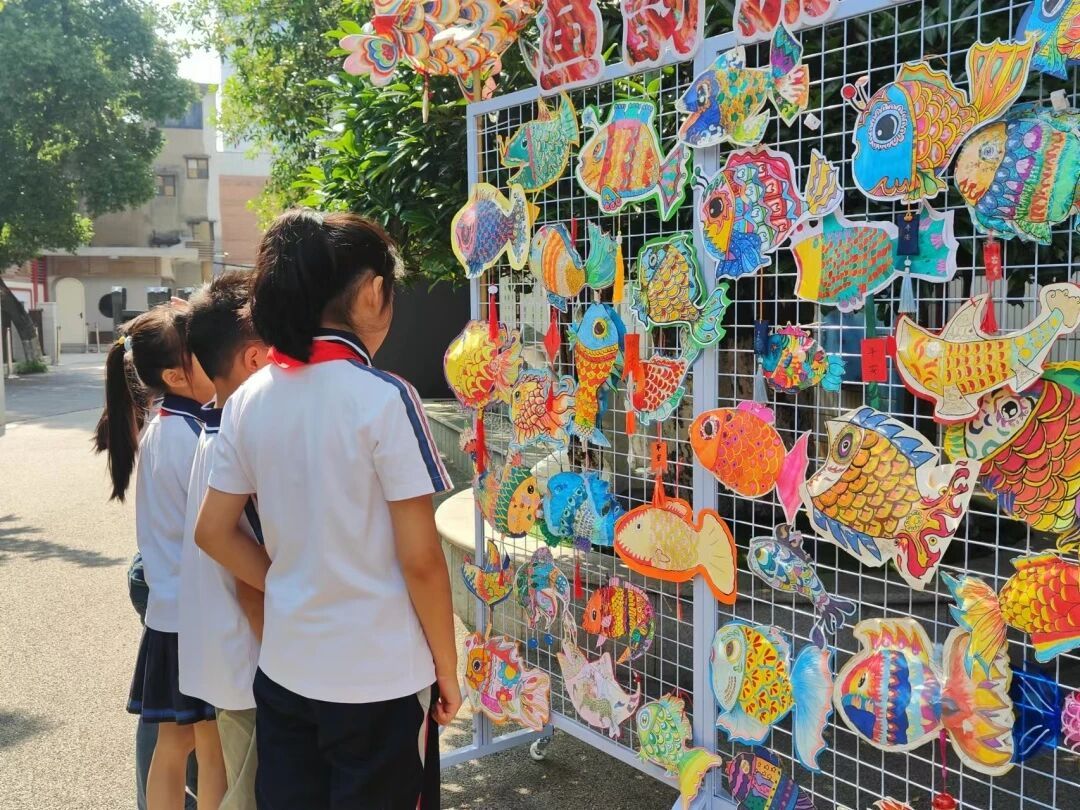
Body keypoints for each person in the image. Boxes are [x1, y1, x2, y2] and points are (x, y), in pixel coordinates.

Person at [195, 210, 461, 809]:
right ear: (372, 292)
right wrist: (448, 668)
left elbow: (213, 532)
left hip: (287, 669)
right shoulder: (385, 398)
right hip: (381, 678)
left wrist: (287, 585)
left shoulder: (248, 400)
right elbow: (422, 559)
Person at [94, 304, 226, 810]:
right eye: (202, 353)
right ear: (174, 375)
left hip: (170, 613)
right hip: (198, 616)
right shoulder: (191, 436)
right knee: (211, 750)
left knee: (174, 744)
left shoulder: (164, 424)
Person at [178, 271, 269, 810]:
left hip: (226, 660)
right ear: (256, 358)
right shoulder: (237, 441)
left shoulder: (213, 427)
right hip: (250, 666)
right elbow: (247, 578)